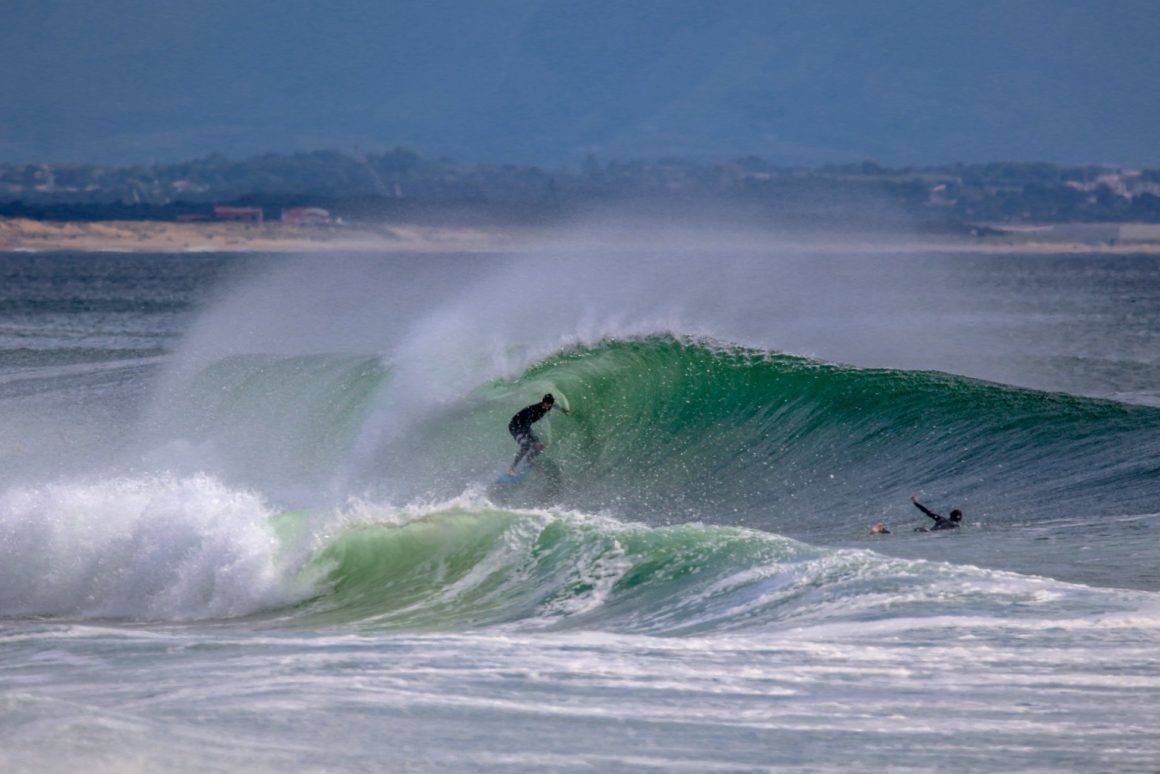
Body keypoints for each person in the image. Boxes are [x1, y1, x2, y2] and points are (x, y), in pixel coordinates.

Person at [508, 393, 569, 475]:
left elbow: (555, 405)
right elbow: (525, 426)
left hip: (525, 427)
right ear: (543, 402)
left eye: (549, 404)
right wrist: (533, 441)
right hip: (515, 427)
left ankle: (528, 461)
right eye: (545, 403)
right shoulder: (532, 411)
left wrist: (564, 410)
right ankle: (512, 467)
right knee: (526, 445)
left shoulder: (549, 405)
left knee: (540, 446)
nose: (547, 406)